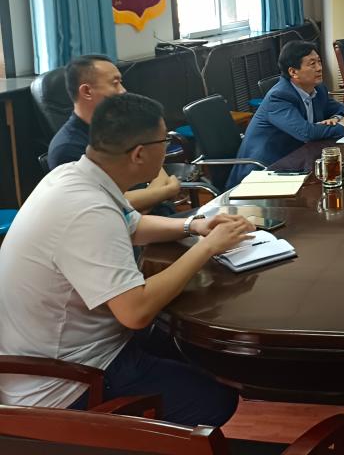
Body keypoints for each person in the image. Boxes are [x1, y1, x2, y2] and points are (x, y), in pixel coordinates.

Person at [0, 92, 254, 426]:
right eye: (164, 142)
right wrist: (206, 248)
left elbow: (132, 224)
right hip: (67, 384)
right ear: (139, 154)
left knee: (197, 352)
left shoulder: (72, 176)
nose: (167, 149)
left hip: (74, 350)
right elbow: (135, 312)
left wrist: (194, 226)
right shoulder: (88, 211)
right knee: (215, 399)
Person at [47, 54, 181, 213]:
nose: (123, 91)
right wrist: (166, 191)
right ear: (87, 91)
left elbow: (156, 168)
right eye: (115, 83)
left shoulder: (120, 123)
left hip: (156, 214)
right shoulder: (67, 148)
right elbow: (108, 204)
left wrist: (149, 197)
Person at [227, 41, 344, 188]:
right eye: (312, 64)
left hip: (295, 161)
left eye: (319, 62)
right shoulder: (279, 97)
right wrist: (341, 126)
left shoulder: (317, 90)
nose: (319, 68)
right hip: (263, 171)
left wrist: (335, 118)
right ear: (293, 72)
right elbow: (306, 132)